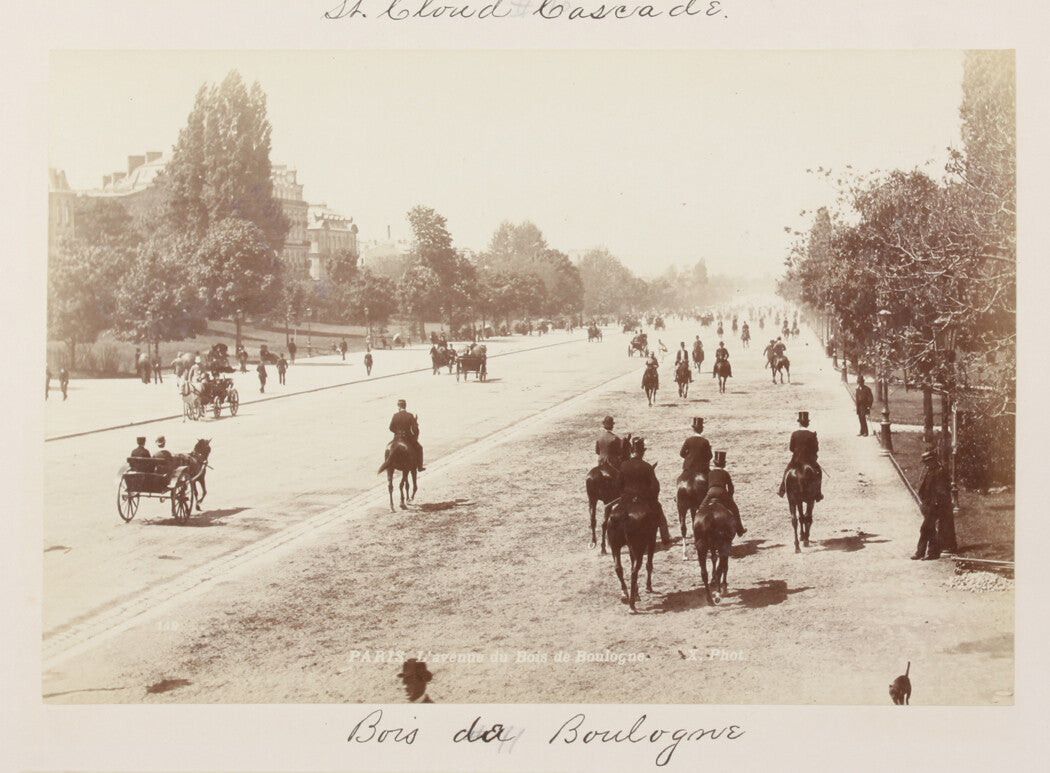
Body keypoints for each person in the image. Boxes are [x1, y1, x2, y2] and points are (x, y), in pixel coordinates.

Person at [617, 436, 672, 546]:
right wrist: (652, 497)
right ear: (642, 452)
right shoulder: (647, 467)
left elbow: (618, 485)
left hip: (627, 499)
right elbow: (655, 487)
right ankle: (665, 538)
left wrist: (624, 495)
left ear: (631, 451)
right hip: (644, 499)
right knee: (659, 511)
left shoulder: (623, 466)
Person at [914, 449, 952, 559]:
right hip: (929, 504)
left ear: (933, 460)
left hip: (936, 505)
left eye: (927, 462)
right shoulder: (931, 471)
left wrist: (935, 502)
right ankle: (930, 553)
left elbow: (941, 490)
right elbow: (925, 487)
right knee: (929, 529)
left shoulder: (939, 471)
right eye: (925, 462)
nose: (926, 464)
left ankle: (924, 552)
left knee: (925, 528)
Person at [700, 450, 746, 536]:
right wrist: (730, 496)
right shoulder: (725, 473)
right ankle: (740, 530)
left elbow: (706, 486)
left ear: (714, 463)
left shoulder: (710, 473)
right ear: (724, 464)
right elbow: (731, 487)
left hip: (711, 492)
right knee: (735, 509)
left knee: (701, 508)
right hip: (722, 492)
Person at [779, 411, 823, 501]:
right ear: (808, 423)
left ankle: (782, 490)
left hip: (796, 460)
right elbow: (816, 449)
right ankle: (818, 493)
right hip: (809, 461)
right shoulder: (812, 434)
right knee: (819, 472)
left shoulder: (794, 434)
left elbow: (791, 448)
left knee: (787, 471)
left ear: (799, 423)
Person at [389, 399, 424, 471]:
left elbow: (391, 428)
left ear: (399, 406)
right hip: (407, 438)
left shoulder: (395, 416)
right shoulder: (410, 415)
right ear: (405, 406)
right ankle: (420, 467)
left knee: (389, 447)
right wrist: (414, 435)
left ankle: (388, 465)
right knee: (419, 448)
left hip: (397, 437)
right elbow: (415, 429)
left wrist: (397, 432)